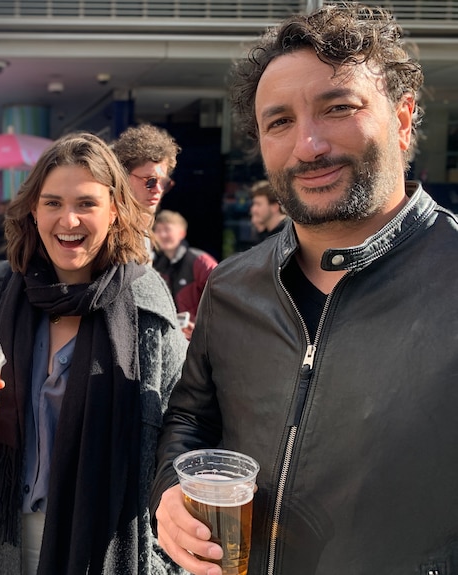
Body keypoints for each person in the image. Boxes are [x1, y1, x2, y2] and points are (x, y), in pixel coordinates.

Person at [152, 4, 458, 575]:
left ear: (403, 117)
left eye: (338, 108)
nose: (309, 145)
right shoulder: (232, 284)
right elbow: (192, 419)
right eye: (279, 122)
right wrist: (171, 489)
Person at [0, 132, 187, 574]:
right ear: (33, 209)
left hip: (99, 546)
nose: (69, 220)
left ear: (115, 209)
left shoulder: (145, 305)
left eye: (86, 203)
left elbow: (181, 428)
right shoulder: (1, 292)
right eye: (53, 203)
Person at [151, 210, 217, 339]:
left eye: (167, 229)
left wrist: (201, 326)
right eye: (157, 230)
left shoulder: (200, 261)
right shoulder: (156, 266)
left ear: (182, 233)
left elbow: (221, 298)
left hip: (201, 339)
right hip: (173, 338)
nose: (162, 235)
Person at [112, 124, 181, 244]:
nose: (158, 189)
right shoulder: (108, 227)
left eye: (164, 182)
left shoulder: (145, 229)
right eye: (151, 181)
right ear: (123, 177)